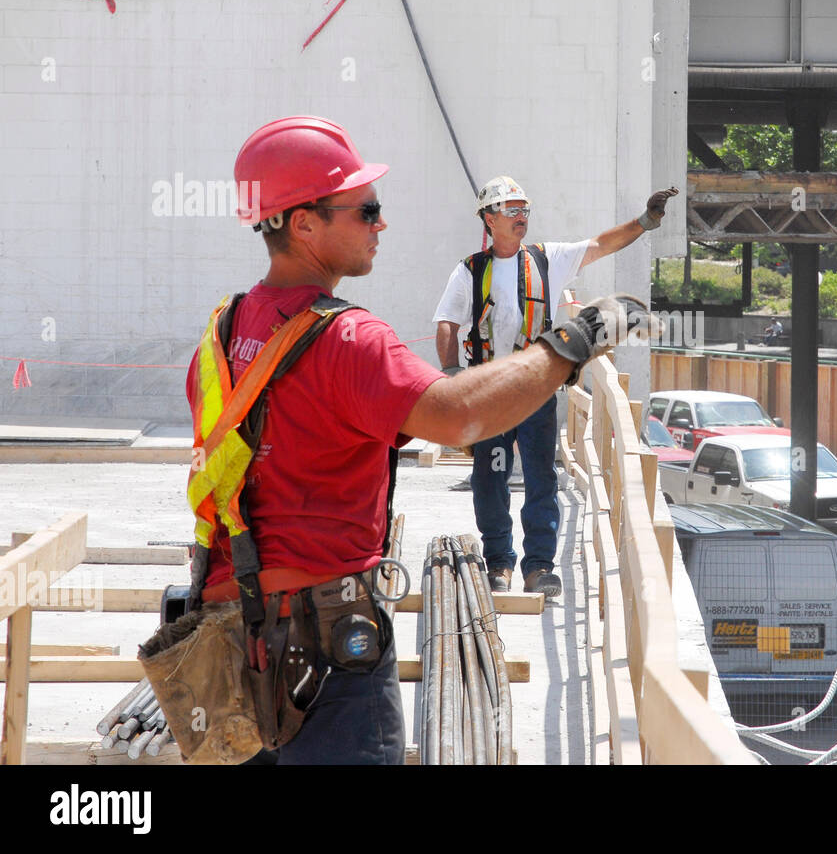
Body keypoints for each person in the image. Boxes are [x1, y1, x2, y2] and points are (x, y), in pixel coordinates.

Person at [183, 117, 649, 764]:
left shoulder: (221, 334)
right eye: (365, 208)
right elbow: (458, 417)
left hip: (229, 645)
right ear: (304, 224)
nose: (381, 222)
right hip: (326, 663)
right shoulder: (350, 341)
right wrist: (572, 343)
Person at [434, 177, 677, 597]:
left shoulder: (548, 260)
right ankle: (499, 563)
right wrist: (453, 374)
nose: (521, 217)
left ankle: (539, 566)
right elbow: (447, 324)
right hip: (489, 391)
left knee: (541, 477)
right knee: (489, 477)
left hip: (535, 389)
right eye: (511, 210)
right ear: (489, 219)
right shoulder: (470, 270)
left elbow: (601, 245)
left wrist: (645, 220)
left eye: (524, 209)